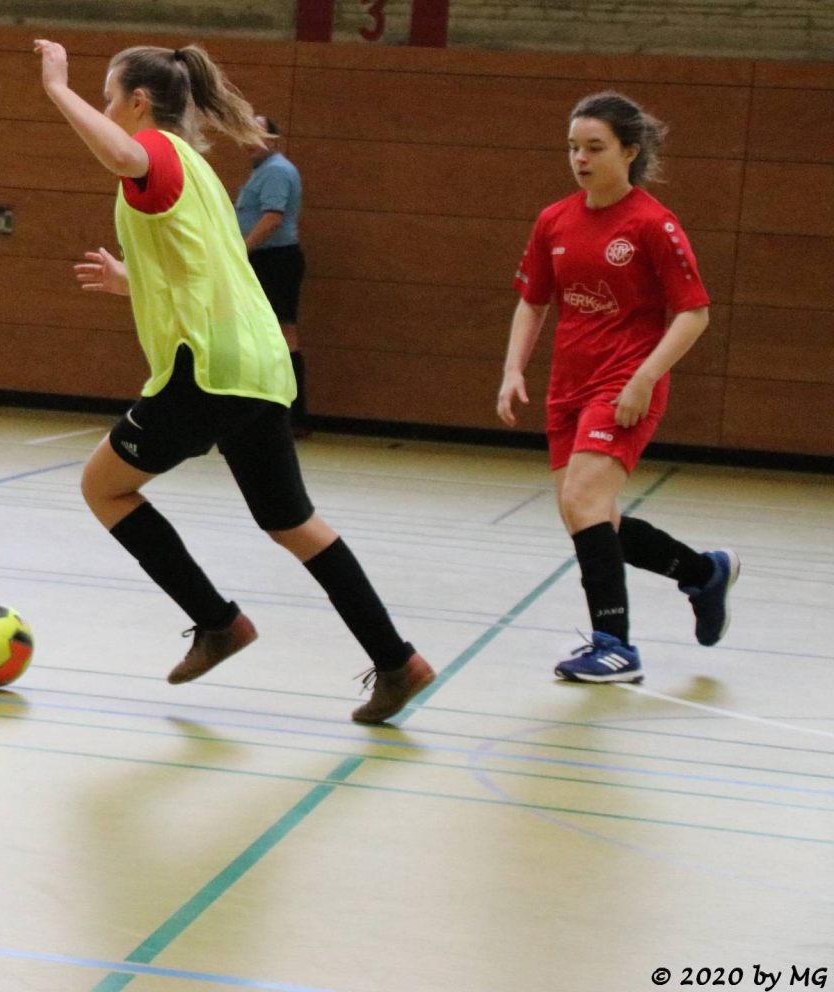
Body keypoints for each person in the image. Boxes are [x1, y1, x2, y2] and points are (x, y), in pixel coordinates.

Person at [36, 38, 434, 725]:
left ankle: (218, 623)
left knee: (103, 487)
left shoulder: (155, 151)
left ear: (138, 102)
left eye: (107, 98)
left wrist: (56, 89)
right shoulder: (194, 169)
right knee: (293, 523)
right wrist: (131, 281)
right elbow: (199, 271)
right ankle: (398, 662)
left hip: (207, 372)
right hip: (259, 369)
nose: (104, 109)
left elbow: (122, 154)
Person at [497, 92, 737, 684]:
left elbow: (694, 313)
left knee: (583, 503)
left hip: (624, 384)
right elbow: (533, 301)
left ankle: (615, 646)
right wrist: (513, 370)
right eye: (573, 148)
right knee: (587, 515)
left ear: (629, 152)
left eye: (594, 148)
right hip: (567, 388)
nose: (580, 158)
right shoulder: (554, 220)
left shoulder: (652, 224)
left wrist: (644, 378)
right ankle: (702, 572)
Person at [235, 117, 309, 436]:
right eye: (245, 135)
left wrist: (240, 250)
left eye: (257, 134)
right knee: (264, 336)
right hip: (265, 260)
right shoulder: (264, 171)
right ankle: (274, 414)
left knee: (283, 336)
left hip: (275, 261)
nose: (249, 141)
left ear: (273, 140)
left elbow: (271, 219)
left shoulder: (276, 171)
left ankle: (293, 417)